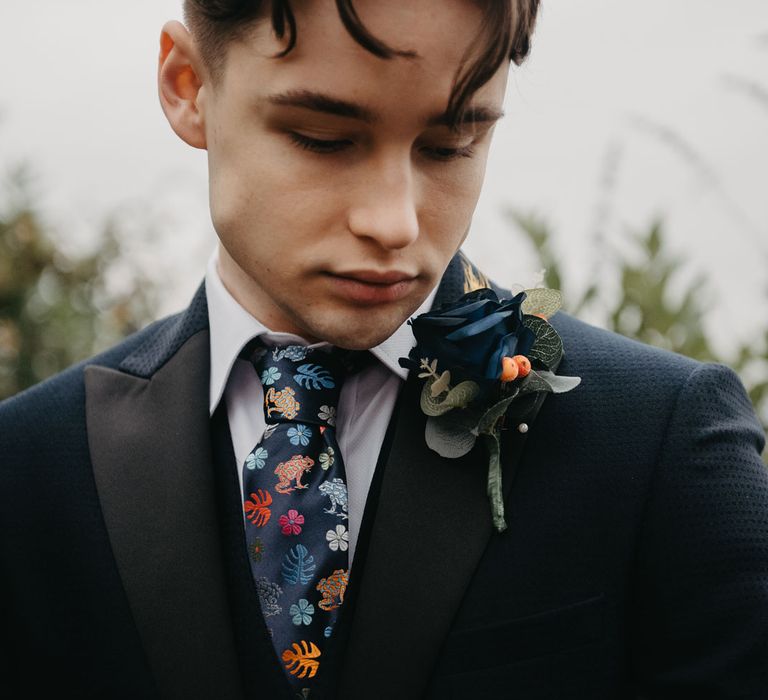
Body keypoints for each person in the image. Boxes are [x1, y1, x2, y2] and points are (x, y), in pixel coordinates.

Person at [1, 1, 766, 698]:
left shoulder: (664, 440)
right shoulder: (25, 466)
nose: (395, 223)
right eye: (324, 138)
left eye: (449, 145)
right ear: (187, 83)